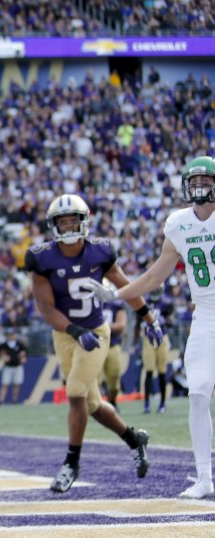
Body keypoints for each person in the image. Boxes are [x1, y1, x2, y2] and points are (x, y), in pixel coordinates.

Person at [84, 156, 215, 499]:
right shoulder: (178, 224)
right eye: (196, 182)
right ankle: (204, 478)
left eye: (207, 181)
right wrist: (115, 294)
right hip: (206, 316)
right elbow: (156, 276)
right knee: (198, 393)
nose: (200, 188)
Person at [25, 194, 158, 494]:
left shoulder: (100, 251)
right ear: (53, 225)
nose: (69, 225)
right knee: (93, 405)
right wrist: (72, 330)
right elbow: (46, 309)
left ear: (84, 221)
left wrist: (148, 317)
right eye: (63, 221)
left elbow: (126, 287)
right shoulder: (41, 257)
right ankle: (135, 440)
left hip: (96, 331)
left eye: (74, 219)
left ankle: (71, 463)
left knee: (74, 393)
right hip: (66, 333)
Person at [102, 295, 127, 410]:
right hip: (95, 346)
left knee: (114, 376)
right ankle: (95, 406)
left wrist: (101, 327)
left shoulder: (116, 305)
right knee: (93, 379)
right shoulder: (90, 303)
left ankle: (112, 401)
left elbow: (121, 325)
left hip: (112, 344)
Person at [0, 331, 28, 405]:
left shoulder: (19, 345)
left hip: (17, 366)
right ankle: (1, 400)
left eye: (12, 335)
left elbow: (25, 353)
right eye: (10, 335)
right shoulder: (4, 345)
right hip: (8, 367)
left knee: (17, 384)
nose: (11, 336)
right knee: (5, 384)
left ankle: (14, 400)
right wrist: (2, 357)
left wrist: (24, 357)